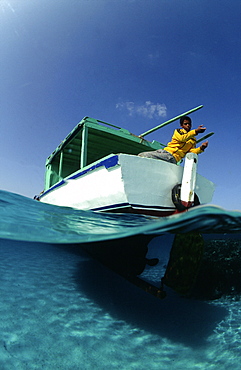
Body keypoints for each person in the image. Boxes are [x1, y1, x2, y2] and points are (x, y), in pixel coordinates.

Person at [138, 115, 208, 164]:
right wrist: (195, 131)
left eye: (189, 124)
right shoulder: (178, 131)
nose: (188, 125)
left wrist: (201, 148)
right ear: (181, 126)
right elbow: (182, 138)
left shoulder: (193, 140)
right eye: (185, 124)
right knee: (141, 156)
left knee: (144, 155)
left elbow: (191, 152)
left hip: (172, 157)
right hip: (164, 151)